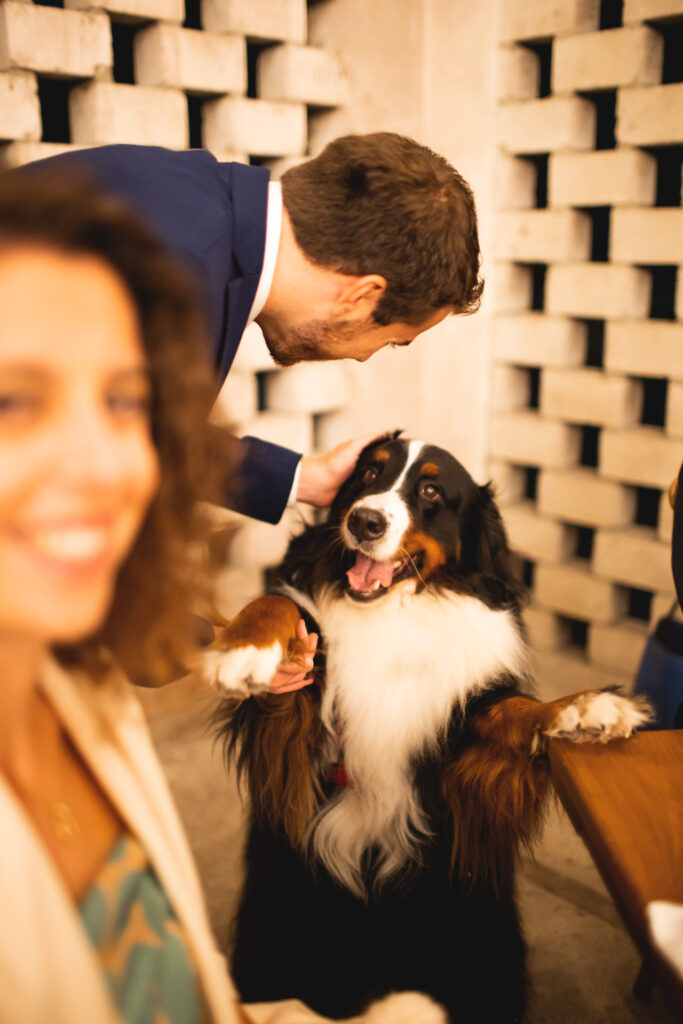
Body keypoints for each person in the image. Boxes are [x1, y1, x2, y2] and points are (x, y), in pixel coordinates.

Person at [0, 171, 448, 1024]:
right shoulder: (182, 252)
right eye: (15, 401)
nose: (112, 464)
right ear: (367, 294)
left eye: (126, 403)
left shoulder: (83, 698)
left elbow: (148, 978)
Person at [28, 132, 483, 526]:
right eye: (390, 341)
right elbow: (54, 461)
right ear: (361, 296)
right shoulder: (173, 270)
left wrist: (305, 479)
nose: (364, 356)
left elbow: (138, 426)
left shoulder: (194, 204)